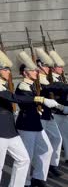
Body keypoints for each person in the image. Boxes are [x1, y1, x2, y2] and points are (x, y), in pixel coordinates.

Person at [0, 47, 31, 187]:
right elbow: (13, 98)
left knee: (23, 159)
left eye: (9, 69)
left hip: (10, 130)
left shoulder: (2, 85)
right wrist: (39, 99)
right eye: (5, 69)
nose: (9, 72)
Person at [15, 50, 60, 187]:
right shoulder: (23, 86)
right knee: (27, 154)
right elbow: (27, 100)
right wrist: (42, 101)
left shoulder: (33, 85)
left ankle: (39, 177)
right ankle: (26, 181)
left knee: (47, 149)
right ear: (25, 73)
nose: (36, 72)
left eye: (36, 70)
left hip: (36, 123)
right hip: (27, 123)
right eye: (33, 70)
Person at [35, 48, 66, 177]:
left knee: (57, 139)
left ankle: (53, 165)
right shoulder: (40, 80)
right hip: (40, 115)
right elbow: (53, 88)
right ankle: (41, 169)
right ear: (40, 66)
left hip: (48, 115)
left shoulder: (46, 79)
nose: (49, 68)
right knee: (42, 145)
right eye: (46, 66)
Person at [49, 50, 68, 165]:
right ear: (54, 68)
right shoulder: (51, 79)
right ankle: (52, 163)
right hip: (56, 111)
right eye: (59, 67)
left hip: (63, 110)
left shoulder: (61, 78)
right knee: (56, 138)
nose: (61, 69)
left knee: (65, 136)